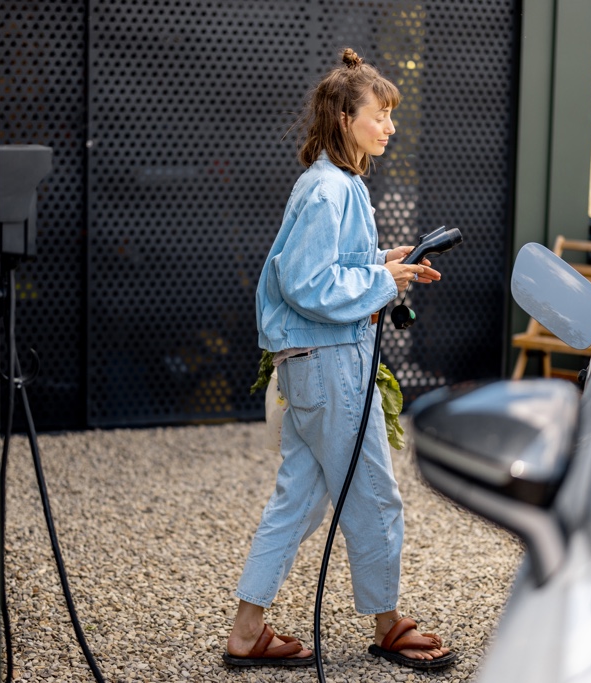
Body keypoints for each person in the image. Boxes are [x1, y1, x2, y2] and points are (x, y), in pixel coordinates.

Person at [222, 48, 458, 671]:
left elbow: (328, 269)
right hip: (331, 365)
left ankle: (247, 632)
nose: (389, 127)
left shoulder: (335, 184)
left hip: (311, 363)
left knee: (297, 498)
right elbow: (308, 283)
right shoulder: (331, 189)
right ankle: (388, 626)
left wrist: (386, 262)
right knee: (376, 495)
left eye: (389, 116)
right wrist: (383, 285)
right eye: (379, 115)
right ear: (344, 119)